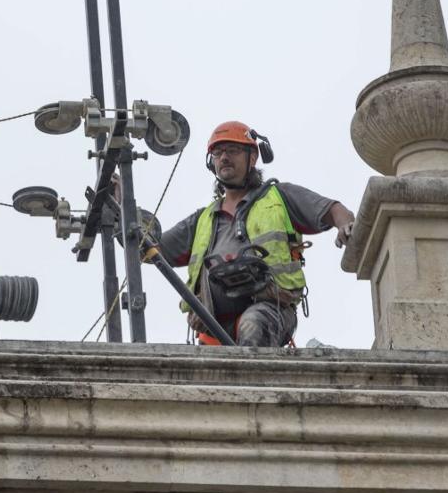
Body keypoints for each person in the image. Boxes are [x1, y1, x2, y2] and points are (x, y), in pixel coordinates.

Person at [149, 121, 355, 347]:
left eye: (233, 150)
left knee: (252, 324)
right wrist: (121, 208)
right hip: (213, 324)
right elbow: (149, 246)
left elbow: (333, 210)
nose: (224, 157)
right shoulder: (203, 219)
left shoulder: (279, 197)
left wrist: (345, 224)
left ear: (253, 157)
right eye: (217, 153)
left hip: (270, 310)